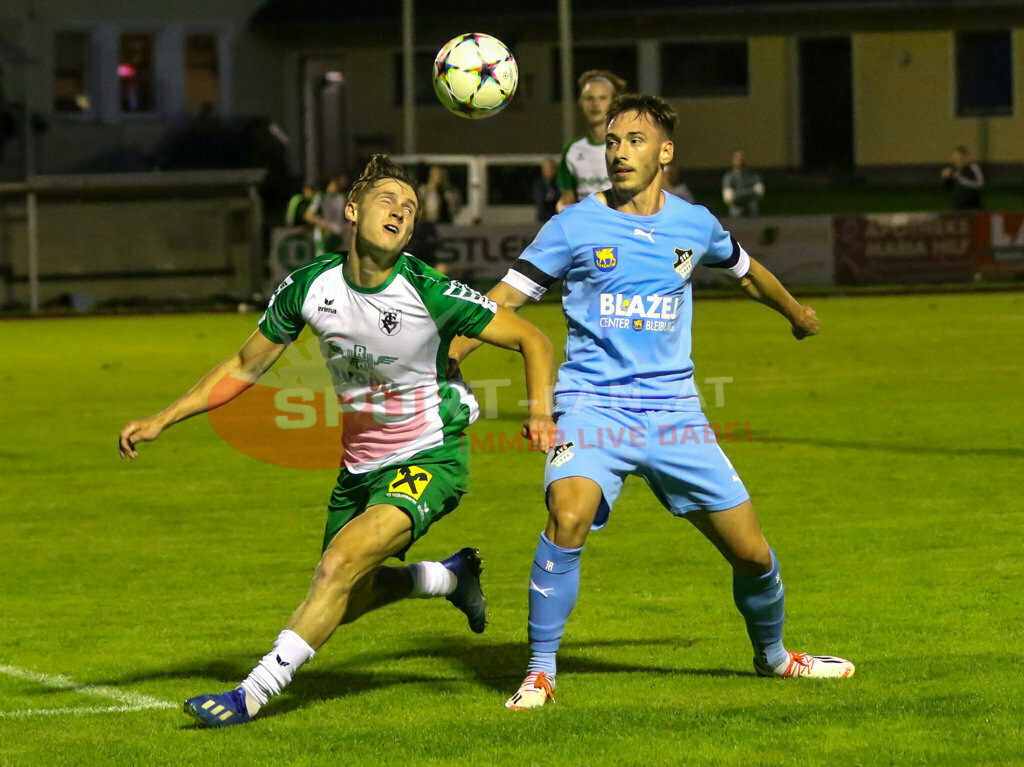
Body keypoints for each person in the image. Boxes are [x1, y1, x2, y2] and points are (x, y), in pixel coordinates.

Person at [118, 154, 558, 727]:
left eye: (411, 207)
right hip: (359, 467)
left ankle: (249, 695)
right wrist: (162, 418)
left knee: (336, 569)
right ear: (351, 211)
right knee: (346, 596)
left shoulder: (429, 290)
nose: (401, 211)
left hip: (431, 452)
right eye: (388, 200)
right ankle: (448, 577)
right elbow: (244, 367)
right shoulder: (310, 285)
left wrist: (542, 414)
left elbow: (533, 338)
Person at [450, 94, 854, 710]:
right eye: (613, 142)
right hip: (592, 408)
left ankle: (775, 658)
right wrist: (451, 353)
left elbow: (746, 272)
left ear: (665, 152)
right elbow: (505, 297)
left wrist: (795, 313)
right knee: (568, 513)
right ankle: (539, 671)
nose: (619, 152)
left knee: (752, 553)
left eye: (634, 140)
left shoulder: (693, 223)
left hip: (675, 416)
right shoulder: (574, 225)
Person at [556, 70, 628, 212]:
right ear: (581, 102)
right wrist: (564, 211)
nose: (595, 104)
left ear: (614, 102)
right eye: (589, 98)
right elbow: (566, 200)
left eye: (602, 98)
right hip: (587, 230)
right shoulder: (572, 150)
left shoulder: (629, 146)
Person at [305, 174, 349, 254]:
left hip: (338, 234)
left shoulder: (342, 197)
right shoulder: (321, 197)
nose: (341, 186)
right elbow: (309, 216)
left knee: (341, 260)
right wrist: (325, 225)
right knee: (324, 260)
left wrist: (345, 226)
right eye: (339, 183)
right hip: (324, 235)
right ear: (332, 182)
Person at [722, 150, 764, 217]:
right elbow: (728, 197)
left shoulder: (754, 176)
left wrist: (737, 194)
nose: (740, 161)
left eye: (742, 159)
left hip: (752, 213)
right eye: (737, 159)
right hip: (735, 213)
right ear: (733, 161)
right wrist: (751, 192)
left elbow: (759, 192)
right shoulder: (728, 177)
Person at [533, 158, 560, 223]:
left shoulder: (558, 183)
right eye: (547, 169)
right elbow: (539, 200)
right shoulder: (539, 184)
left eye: (551, 168)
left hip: (556, 215)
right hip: (543, 216)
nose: (550, 171)